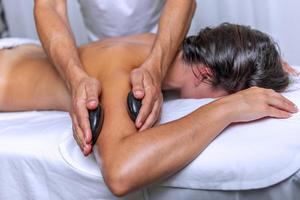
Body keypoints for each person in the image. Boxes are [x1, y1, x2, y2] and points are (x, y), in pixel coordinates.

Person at [0, 23, 298, 196]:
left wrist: (265, 58)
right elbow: (120, 173)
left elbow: (235, 45)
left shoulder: (164, 47)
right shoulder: (123, 74)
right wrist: (227, 108)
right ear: (205, 74)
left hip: (17, 56)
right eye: (222, 92)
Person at [34, 0, 196, 156]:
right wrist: (75, 78)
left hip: (157, 46)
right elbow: (49, 5)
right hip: (99, 55)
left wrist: (157, 67)